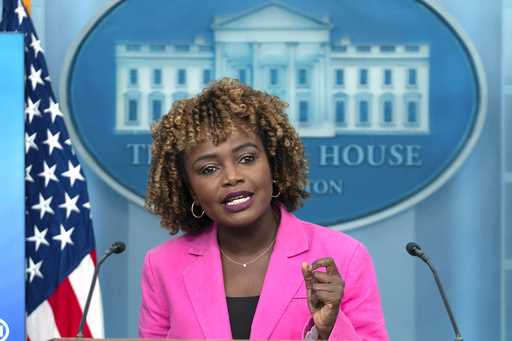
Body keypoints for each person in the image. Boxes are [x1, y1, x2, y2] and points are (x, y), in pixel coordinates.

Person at [139, 78, 389, 340]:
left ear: (272, 163)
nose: (232, 177)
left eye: (247, 158)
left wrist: (328, 330)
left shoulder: (344, 256)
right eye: (209, 169)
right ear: (190, 188)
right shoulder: (162, 266)